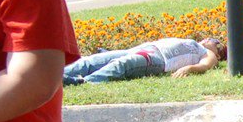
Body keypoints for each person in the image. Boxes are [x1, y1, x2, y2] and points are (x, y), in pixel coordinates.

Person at [63, 37, 225, 85]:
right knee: (93, 60)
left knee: (123, 65)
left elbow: (206, 65)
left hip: (159, 59)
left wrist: (189, 68)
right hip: (145, 48)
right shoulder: (195, 43)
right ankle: (59, 74)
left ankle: (83, 82)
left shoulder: (208, 54)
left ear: (218, 53)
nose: (207, 39)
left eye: (214, 41)